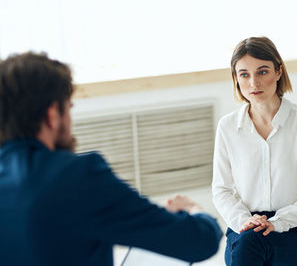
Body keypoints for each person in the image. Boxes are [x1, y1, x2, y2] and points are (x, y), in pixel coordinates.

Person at [0, 52, 222, 266]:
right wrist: (195, 210)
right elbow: (199, 241)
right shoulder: (76, 177)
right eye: (68, 108)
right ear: (52, 115)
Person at [212, 36, 297, 266]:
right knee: (250, 242)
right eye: (244, 74)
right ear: (236, 79)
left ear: (278, 72)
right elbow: (221, 189)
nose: (253, 84)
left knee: (250, 245)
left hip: (295, 232)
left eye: (262, 72)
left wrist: (278, 222)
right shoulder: (227, 127)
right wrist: (246, 221)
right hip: (243, 229)